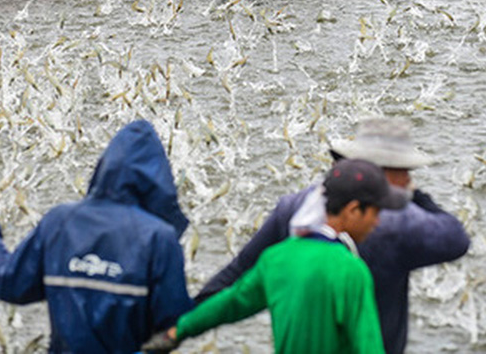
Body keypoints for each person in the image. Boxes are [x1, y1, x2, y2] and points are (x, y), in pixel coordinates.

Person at [194, 117, 470, 354]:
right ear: (383, 173)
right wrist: (417, 195)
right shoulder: (402, 223)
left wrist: (182, 321)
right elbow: (456, 238)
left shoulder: (295, 207)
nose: (410, 177)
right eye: (405, 171)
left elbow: (237, 275)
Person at [0, 119, 192, 354]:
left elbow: (8, 283)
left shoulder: (60, 222)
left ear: (104, 167)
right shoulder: (160, 238)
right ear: (160, 180)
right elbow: (174, 323)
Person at [143, 158, 408, 354]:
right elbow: (368, 345)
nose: (377, 221)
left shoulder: (277, 258)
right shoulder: (351, 270)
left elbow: (231, 303)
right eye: (375, 212)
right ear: (353, 210)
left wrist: (179, 330)